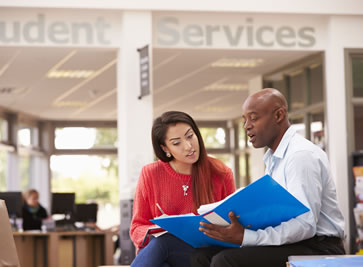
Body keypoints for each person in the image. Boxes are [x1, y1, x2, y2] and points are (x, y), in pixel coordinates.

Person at [191, 88, 345, 267]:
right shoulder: (274, 158)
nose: (247, 126)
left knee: (225, 261)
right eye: (245, 120)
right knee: (201, 256)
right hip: (295, 242)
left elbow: (305, 225)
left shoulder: (300, 156)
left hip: (319, 247)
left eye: (254, 118)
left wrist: (247, 237)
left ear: (279, 115)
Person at [130, 111, 236, 267]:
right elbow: (137, 228)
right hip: (167, 254)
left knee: (163, 244)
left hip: (207, 254)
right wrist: (159, 228)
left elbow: (233, 224)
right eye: (176, 143)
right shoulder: (150, 174)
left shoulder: (220, 173)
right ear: (165, 148)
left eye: (190, 136)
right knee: (163, 247)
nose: (188, 146)